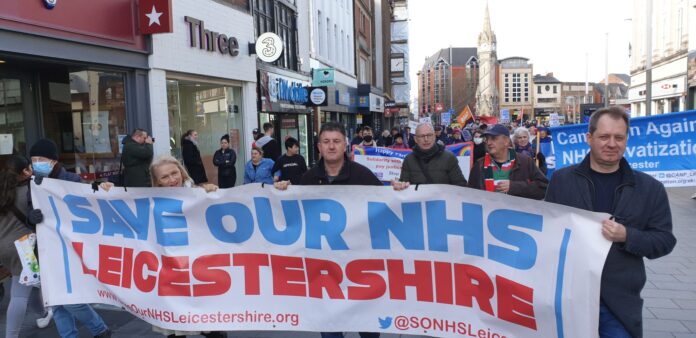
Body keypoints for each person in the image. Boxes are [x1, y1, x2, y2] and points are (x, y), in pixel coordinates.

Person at [545, 107, 676, 338]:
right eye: (604, 137)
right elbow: (547, 232)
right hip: (568, 299)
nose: (612, 144)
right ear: (589, 138)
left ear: (626, 140)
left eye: (619, 137)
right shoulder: (562, 180)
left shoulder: (649, 189)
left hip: (618, 304)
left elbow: (664, 241)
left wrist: (627, 235)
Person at [274, 122, 381, 338]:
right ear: (319, 148)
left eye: (336, 141)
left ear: (345, 145)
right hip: (325, 271)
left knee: (368, 330)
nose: (331, 146)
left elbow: (386, 210)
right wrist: (280, 195)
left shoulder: (364, 176)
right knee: (330, 331)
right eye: (326, 142)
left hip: (360, 269)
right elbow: (295, 219)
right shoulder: (308, 179)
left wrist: (401, 193)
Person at [27, 138, 111, 338]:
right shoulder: (33, 184)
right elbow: (30, 211)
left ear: (54, 161)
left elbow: (88, 199)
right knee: (56, 300)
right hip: (47, 247)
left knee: (71, 300)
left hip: (69, 248)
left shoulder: (71, 181)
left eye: (41, 159)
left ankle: (100, 329)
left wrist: (104, 187)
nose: (36, 163)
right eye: (33, 159)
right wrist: (32, 217)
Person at [146, 156, 222, 338]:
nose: (172, 179)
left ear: (181, 171)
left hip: (199, 270)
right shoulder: (150, 202)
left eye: (174, 173)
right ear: (157, 181)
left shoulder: (200, 194)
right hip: (170, 271)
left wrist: (212, 191)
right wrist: (105, 190)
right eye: (165, 177)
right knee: (175, 330)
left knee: (214, 330)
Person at [0, 155, 51, 338]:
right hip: (24, 249)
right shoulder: (29, 192)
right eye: (29, 168)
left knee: (31, 284)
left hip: (3, 248)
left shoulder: (4, 189)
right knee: (19, 295)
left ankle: (43, 313)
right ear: (25, 172)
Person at [468, 125, 548, 200]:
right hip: (488, 213)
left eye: (493, 138)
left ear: (506, 141)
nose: (488, 143)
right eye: (486, 139)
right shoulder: (479, 165)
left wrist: (514, 187)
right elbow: (470, 196)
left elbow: (544, 188)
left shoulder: (525, 161)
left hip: (518, 213)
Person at [392, 123, 467, 190]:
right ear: (415, 139)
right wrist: (400, 186)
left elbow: (461, 187)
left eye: (429, 135)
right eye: (422, 136)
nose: (426, 139)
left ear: (434, 136)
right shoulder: (409, 160)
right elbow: (403, 184)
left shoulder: (449, 157)